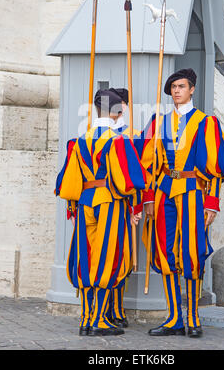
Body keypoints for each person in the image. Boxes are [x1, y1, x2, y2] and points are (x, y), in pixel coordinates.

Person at [139, 68, 224, 338]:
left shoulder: (207, 123)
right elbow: (149, 165)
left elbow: (216, 165)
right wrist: (148, 198)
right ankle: (174, 319)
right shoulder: (159, 122)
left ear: (192, 89)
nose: (177, 91)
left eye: (181, 86)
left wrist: (212, 202)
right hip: (163, 192)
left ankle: (193, 318)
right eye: (173, 88)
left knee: (192, 253)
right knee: (166, 252)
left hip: (193, 191)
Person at [55, 89, 146, 336]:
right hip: (109, 201)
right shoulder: (118, 141)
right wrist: (136, 206)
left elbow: (67, 180)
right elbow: (131, 179)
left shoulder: (79, 141)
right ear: (117, 112)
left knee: (86, 256)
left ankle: (85, 319)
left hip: (85, 202)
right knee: (108, 257)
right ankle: (99, 321)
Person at [105, 87, 142, 328]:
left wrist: (137, 206)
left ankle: (117, 308)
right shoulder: (102, 134)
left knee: (124, 256)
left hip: (126, 202)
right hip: (104, 202)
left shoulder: (134, 135)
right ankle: (104, 309)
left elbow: (140, 174)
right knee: (105, 255)